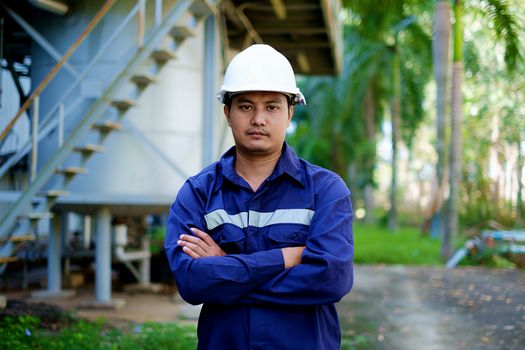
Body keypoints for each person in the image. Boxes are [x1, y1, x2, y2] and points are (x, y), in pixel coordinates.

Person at [165, 44, 354, 350]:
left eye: (272, 106)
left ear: (290, 112)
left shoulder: (326, 191)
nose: (258, 119)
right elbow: (191, 282)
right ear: (227, 112)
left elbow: (330, 279)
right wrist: (285, 257)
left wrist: (227, 267)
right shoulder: (198, 192)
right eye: (246, 106)